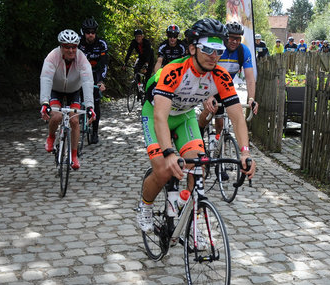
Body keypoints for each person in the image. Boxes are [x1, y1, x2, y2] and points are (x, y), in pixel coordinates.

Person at [137, 18, 256, 232]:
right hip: (156, 114)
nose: (214, 56)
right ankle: (145, 205)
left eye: (218, 50)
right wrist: (169, 152)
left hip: (184, 116)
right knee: (164, 169)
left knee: (199, 164)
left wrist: (245, 152)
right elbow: (160, 117)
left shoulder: (220, 76)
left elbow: (237, 117)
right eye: (208, 49)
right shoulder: (174, 71)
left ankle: (193, 223)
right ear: (192, 48)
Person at [40, 29, 95, 170]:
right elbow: (46, 78)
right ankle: (51, 137)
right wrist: (45, 103)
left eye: (74, 47)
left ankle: (74, 156)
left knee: (75, 120)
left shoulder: (81, 58)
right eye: (67, 46)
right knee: (57, 116)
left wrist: (90, 106)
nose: (71, 50)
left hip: (73, 91)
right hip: (56, 90)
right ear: (61, 46)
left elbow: (88, 82)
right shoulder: (52, 56)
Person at [198, 21, 259, 142]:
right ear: (226, 37)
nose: (235, 41)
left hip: (225, 87)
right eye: (231, 38)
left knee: (221, 122)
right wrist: (208, 95)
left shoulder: (243, 51)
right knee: (209, 110)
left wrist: (251, 99)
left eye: (238, 38)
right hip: (208, 84)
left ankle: (218, 143)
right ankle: (198, 134)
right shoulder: (218, 49)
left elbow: (250, 78)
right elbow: (205, 72)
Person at [78, 17, 108, 144]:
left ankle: (95, 132)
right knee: (78, 97)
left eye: (93, 32)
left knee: (96, 103)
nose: (90, 35)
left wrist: (101, 81)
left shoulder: (101, 44)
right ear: (84, 33)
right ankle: (79, 114)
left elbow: (104, 64)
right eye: (88, 32)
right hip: (81, 72)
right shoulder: (78, 43)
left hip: (96, 73)